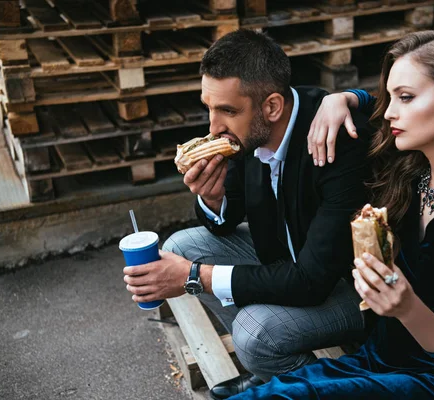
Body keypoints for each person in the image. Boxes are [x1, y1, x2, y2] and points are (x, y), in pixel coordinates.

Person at [228, 30, 434, 399]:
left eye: (405, 97)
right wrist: (341, 98)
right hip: (381, 358)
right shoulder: (411, 177)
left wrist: (406, 307)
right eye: (391, 95)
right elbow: (373, 105)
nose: (390, 111)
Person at [122, 29, 377, 398]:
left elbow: (311, 280)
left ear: (271, 107)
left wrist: (195, 277)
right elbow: (225, 222)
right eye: (209, 107)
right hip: (290, 263)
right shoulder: (251, 133)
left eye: (227, 110)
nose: (213, 127)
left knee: (253, 332)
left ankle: (316, 382)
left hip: (351, 290)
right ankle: (268, 368)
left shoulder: (336, 140)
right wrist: (213, 199)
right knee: (181, 246)